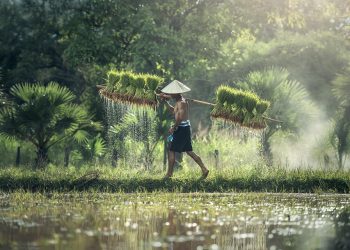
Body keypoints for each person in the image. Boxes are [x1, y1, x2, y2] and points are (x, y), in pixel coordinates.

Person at [158, 80, 209, 179]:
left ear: (176, 93)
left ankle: (169, 175)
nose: (170, 94)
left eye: (172, 93)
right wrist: (165, 102)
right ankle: (204, 169)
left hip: (181, 128)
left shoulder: (181, 103)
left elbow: (180, 117)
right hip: (184, 128)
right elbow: (174, 111)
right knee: (189, 151)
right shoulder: (180, 102)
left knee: (171, 150)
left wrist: (174, 127)